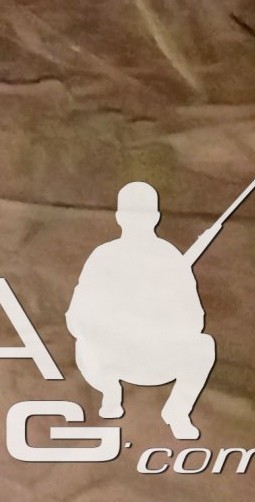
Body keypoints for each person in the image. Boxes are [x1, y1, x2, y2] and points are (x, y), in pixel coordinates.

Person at [65, 180, 219, 438]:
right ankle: (110, 391)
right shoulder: (104, 256)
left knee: (204, 346)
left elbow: (195, 321)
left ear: (156, 217)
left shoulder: (170, 258)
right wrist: (113, 323)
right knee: (85, 343)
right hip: (111, 356)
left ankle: (177, 411)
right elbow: (76, 316)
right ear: (119, 217)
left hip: (156, 356)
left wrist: (160, 316)